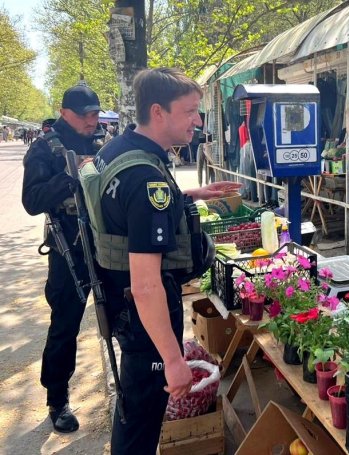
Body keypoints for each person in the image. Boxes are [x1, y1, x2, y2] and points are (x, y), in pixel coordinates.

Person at [85, 67, 241, 454]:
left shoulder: (120, 150)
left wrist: (191, 194)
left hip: (122, 306)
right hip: (144, 319)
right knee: (140, 423)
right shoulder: (145, 178)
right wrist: (172, 359)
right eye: (189, 111)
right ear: (158, 112)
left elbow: (125, 215)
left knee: (133, 414)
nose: (198, 121)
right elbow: (146, 283)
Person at [21, 83, 102, 433]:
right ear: (65, 112)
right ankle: (57, 399)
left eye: (96, 113)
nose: (92, 120)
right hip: (67, 247)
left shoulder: (99, 140)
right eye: (86, 114)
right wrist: (71, 174)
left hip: (103, 244)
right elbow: (32, 200)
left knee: (123, 313)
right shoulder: (44, 148)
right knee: (65, 325)